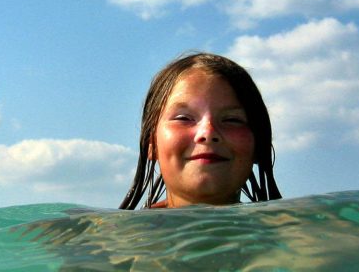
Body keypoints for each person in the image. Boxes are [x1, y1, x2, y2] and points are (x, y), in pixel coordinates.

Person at [119, 52, 282, 209]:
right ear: (152, 143)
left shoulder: (288, 226)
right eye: (183, 118)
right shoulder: (119, 228)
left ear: (258, 146)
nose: (208, 132)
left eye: (232, 120)